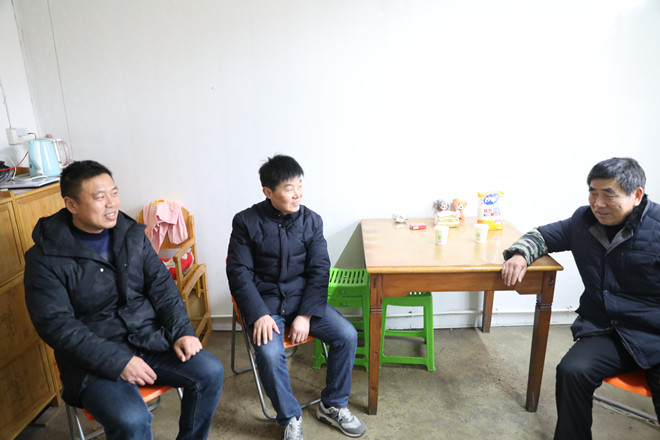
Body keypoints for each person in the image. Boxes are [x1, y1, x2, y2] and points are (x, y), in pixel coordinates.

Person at [24, 160, 223, 440]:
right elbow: (56, 325)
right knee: (132, 420)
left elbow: (162, 286)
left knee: (210, 371)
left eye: (114, 193)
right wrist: (118, 361)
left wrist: (182, 331)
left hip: (146, 339)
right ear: (71, 204)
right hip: (92, 359)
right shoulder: (44, 257)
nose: (112, 204)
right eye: (99, 197)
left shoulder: (131, 235)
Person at [501, 157, 660, 439]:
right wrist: (519, 254)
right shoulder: (583, 221)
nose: (597, 204)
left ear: (636, 195)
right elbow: (542, 236)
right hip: (608, 330)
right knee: (572, 371)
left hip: (654, 333)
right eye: (592, 193)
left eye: (608, 194)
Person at [226, 155, 366, 440]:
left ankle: (333, 405)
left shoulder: (311, 221)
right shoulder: (246, 221)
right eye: (289, 188)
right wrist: (258, 314)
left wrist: (305, 314)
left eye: (300, 185)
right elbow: (238, 272)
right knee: (268, 353)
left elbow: (319, 269)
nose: (298, 194)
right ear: (268, 192)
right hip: (265, 304)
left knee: (347, 335)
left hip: (303, 301)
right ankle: (289, 416)